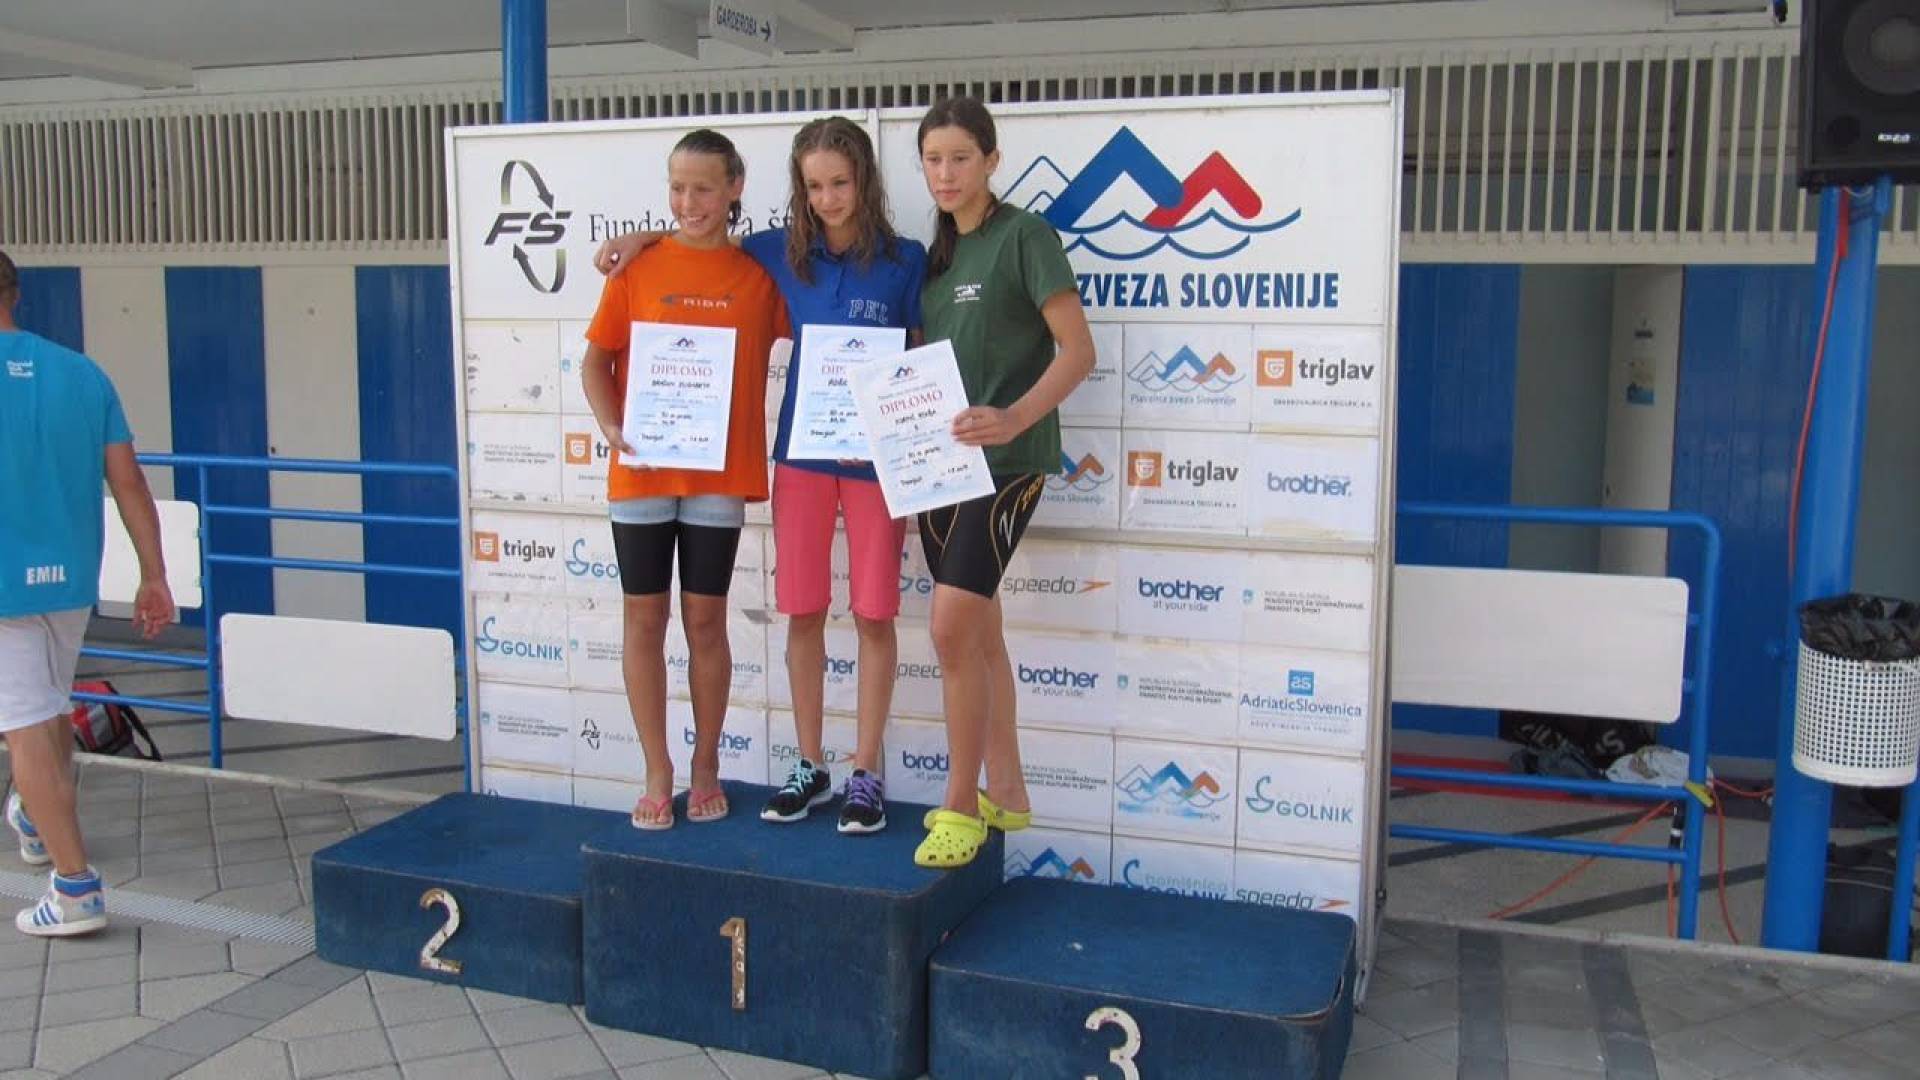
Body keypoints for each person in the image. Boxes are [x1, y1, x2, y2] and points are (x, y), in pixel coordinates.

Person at [596, 117, 927, 835]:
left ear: (865, 181)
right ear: (798, 190)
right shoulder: (781, 253)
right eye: (814, 186)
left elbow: (921, 356)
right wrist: (641, 239)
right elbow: (701, 237)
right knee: (803, 612)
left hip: (873, 463)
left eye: (840, 183)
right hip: (801, 459)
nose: (828, 198)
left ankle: (866, 771)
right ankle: (810, 765)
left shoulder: (907, 260)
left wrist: (905, 431)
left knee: (874, 614)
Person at [581, 130, 788, 830]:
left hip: (716, 476)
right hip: (640, 472)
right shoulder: (636, 267)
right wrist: (611, 425)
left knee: (705, 620)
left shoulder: (761, 275)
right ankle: (656, 769)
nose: (688, 202)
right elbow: (595, 362)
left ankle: (705, 765)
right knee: (643, 619)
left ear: (735, 188)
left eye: (703, 187)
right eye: (677, 187)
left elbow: (819, 316)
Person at [910, 96, 1095, 868]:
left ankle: (960, 804)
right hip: (937, 468)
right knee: (980, 632)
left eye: (961, 157)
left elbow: (1078, 351)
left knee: (950, 630)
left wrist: (1015, 418)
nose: (946, 173)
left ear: (991, 159)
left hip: (1007, 465)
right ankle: (1009, 789)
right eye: (933, 159)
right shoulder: (935, 257)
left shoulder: (1025, 236)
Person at [0, 248, 175, 936]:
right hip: (70, 579)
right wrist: (153, 575)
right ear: (15, 293)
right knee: (46, 710)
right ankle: (33, 816)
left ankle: (75, 889)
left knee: (26, 727)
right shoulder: (81, 373)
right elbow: (128, 482)